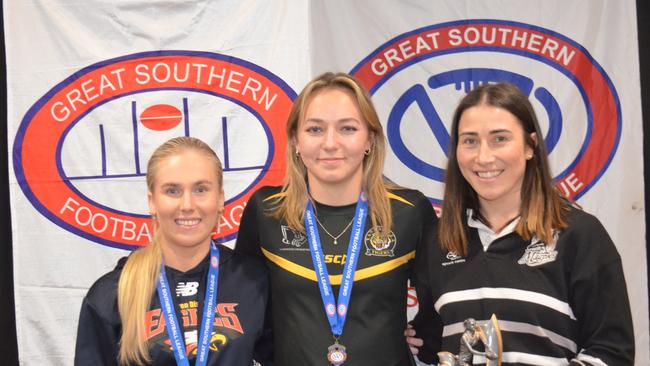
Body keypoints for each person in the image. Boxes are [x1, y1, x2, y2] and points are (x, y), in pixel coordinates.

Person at [412, 82, 635, 365]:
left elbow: (611, 353)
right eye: (469, 141)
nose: (483, 156)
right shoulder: (438, 242)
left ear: (530, 146)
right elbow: (435, 344)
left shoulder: (578, 235)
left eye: (499, 139)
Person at [235, 72, 436, 365]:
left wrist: (425, 339)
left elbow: (443, 300)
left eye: (347, 129)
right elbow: (247, 305)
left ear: (369, 139)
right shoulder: (266, 210)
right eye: (315, 130)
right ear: (295, 141)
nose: (330, 143)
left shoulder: (408, 211)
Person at [74, 136, 272, 366]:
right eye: (172, 191)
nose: (187, 205)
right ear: (152, 202)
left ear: (220, 199)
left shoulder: (254, 281)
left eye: (200, 189)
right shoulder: (112, 293)